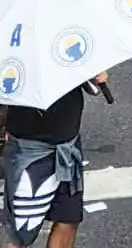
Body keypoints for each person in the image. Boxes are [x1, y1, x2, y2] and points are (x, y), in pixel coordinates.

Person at [2, 74, 109, 248]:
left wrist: (95, 72)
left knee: (68, 218)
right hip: (28, 149)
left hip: (68, 145)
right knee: (19, 231)